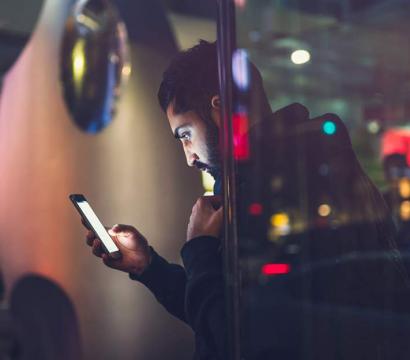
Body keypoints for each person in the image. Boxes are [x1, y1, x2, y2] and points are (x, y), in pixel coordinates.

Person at [84, 40, 410, 359]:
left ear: (219, 109)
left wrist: (199, 249)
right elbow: (232, 311)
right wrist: (150, 268)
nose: (189, 157)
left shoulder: (274, 190)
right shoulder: (298, 168)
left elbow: (237, 340)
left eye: (186, 135)